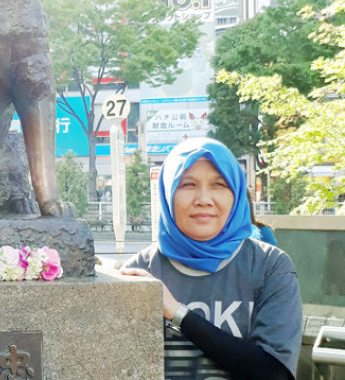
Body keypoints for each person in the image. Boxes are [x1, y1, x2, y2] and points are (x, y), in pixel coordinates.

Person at [121, 137, 301, 380]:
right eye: (187, 185)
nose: (203, 198)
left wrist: (177, 313)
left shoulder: (270, 267)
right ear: (167, 192)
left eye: (218, 185)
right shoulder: (139, 272)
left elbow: (273, 373)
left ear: (236, 194)